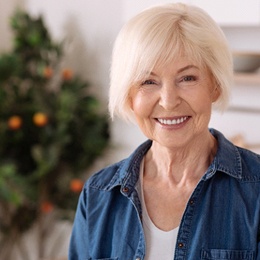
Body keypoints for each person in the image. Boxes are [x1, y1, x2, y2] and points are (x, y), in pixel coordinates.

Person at [69, 3, 260, 260]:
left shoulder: (256, 190)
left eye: (187, 78)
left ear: (214, 86)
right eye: (148, 81)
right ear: (129, 96)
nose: (168, 101)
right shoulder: (98, 195)